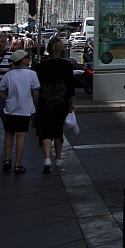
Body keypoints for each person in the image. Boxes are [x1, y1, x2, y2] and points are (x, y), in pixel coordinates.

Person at [34, 38, 75, 173]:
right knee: (58, 130)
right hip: (61, 101)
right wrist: (72, 102)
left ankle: (47, 158)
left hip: (45, 102)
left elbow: (37, 88)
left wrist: (36, 104)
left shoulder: (41, 67)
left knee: (46, 130)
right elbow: (70, 86)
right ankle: (58, 158)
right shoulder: (66, 65)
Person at [0, 50, 40, 173]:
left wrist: (7, 98)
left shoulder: (9, 74)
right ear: (22, 60)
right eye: (27, 58)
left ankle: (7, 159)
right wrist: (35, 106)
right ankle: (18, 164)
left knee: (9, 134)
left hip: (10, 109)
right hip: (24, 109)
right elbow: (36, 93)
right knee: (21, 136)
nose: (29, 59)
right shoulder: (32, 74)